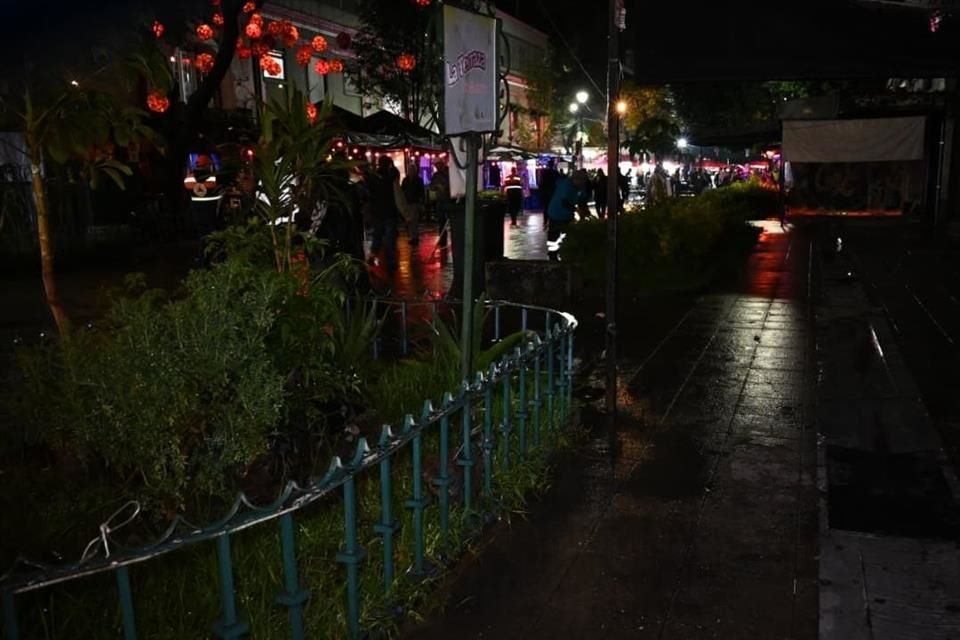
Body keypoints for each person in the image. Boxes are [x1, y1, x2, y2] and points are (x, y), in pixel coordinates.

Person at [546, 169, 587, 261]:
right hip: (556, 213)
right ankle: (552, 256)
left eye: (583, 181)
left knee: (568, 234)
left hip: (567, 215)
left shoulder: (580, 186)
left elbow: (582, 199)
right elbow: (564, 202)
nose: (581, 183)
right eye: (580, 181)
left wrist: (584, 210)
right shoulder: (566, 185)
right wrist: (576, 210)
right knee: (554, 236)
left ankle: (565, 253)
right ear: (575, 179)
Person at [368, 156, 401, 271]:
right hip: (389, 212)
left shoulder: (374, 177)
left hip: (377, 211)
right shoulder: (390, 176)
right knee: (389, 238)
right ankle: (391, 260)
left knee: (377, 236)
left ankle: (373, 255)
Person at [401, 163, 425, 246]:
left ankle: (415, 237)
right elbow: (402, 191)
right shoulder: (405, 180)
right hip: (407, 202)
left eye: (412, 170)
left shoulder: (418, 180)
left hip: (415, 202)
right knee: (410, 221)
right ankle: (413, 237)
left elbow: (421, 191)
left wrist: (421, 202)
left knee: (413, 220)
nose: (411, 171)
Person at [429, 159, 451, 247]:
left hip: (448, 199)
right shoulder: (436, 175)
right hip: (440, 200)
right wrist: (437, 187)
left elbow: (451, 184)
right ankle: (442, 240)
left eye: (438, 165)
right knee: (441, 221)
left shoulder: (448, 173)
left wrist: (444, 187)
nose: (437, 167)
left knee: (449, 220)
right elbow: (431, 186)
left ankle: (448, 239)